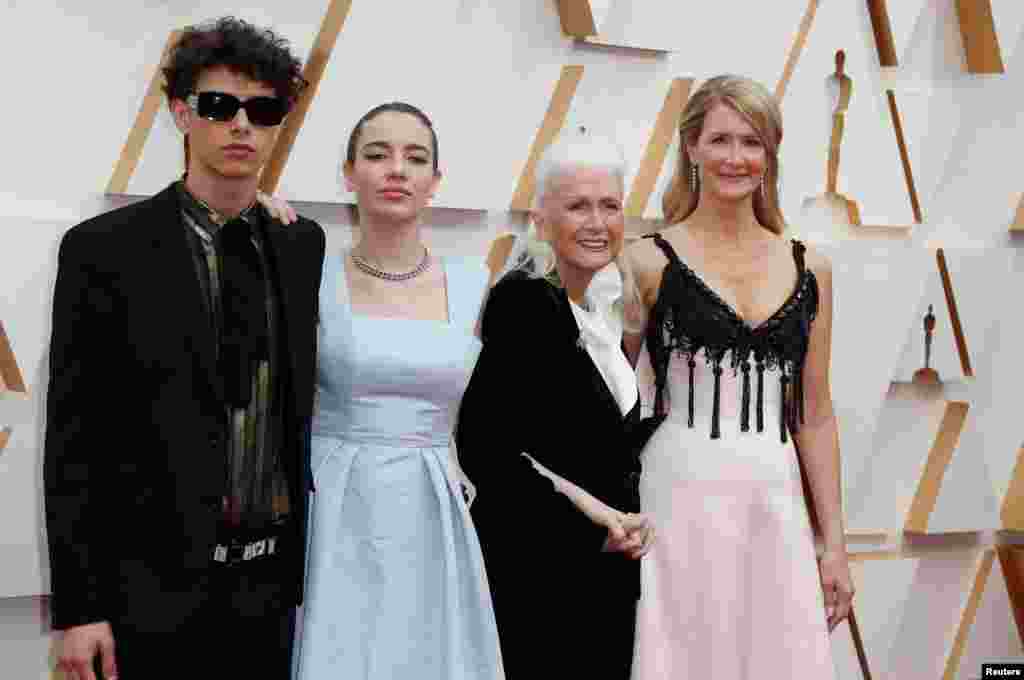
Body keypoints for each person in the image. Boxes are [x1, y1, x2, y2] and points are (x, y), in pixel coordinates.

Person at [43, 17, 325, 680]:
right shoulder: (104, 251)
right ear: (181, 113)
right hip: (150, 594)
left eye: (262, 110)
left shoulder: (299, 244)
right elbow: (74, 441)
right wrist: (81, 608)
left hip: (270, 592)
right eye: (220, 106)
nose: (241, 126)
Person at [625, 75, 853, 679]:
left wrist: (833, 542)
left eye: (751, 142)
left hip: (774, 498)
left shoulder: (813, 267)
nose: (735, 158)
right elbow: (610, 400)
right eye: (719, 140)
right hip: (676, 492)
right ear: (691, 149)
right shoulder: (645, 259)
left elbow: (815, 413)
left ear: (770, 154)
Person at [289, 102, 504, 680]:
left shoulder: (474, 284)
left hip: (432, 507)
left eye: (415, 158)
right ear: (349, 172)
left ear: (435, 181)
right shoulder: (310, 277)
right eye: (377, 154)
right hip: (333, 506)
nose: (396, 170)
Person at [455, 129, 654, 680]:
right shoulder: (524, 302)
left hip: (600, 576)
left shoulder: (593, 306)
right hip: (539, 578)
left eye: (610, 206)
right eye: (578, 206)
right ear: (542, 221)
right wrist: (594, 522)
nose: (597, 222)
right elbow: (486, 449)